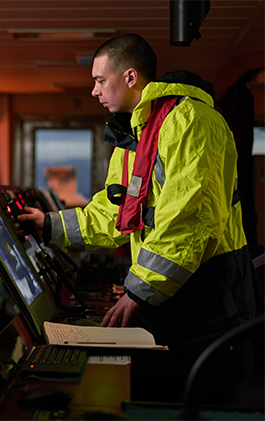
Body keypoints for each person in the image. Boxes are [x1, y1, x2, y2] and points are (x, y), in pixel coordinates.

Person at [18, 33, 264, 404]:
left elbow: (189, 220)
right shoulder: (136, 134)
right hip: (167, 294)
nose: (94, 91)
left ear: (130, 77)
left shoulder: (192, 121)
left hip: (208, 297)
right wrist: (51, 225)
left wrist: (138, 291)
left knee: (204, 403)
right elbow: (119, 212)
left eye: (100, 80)